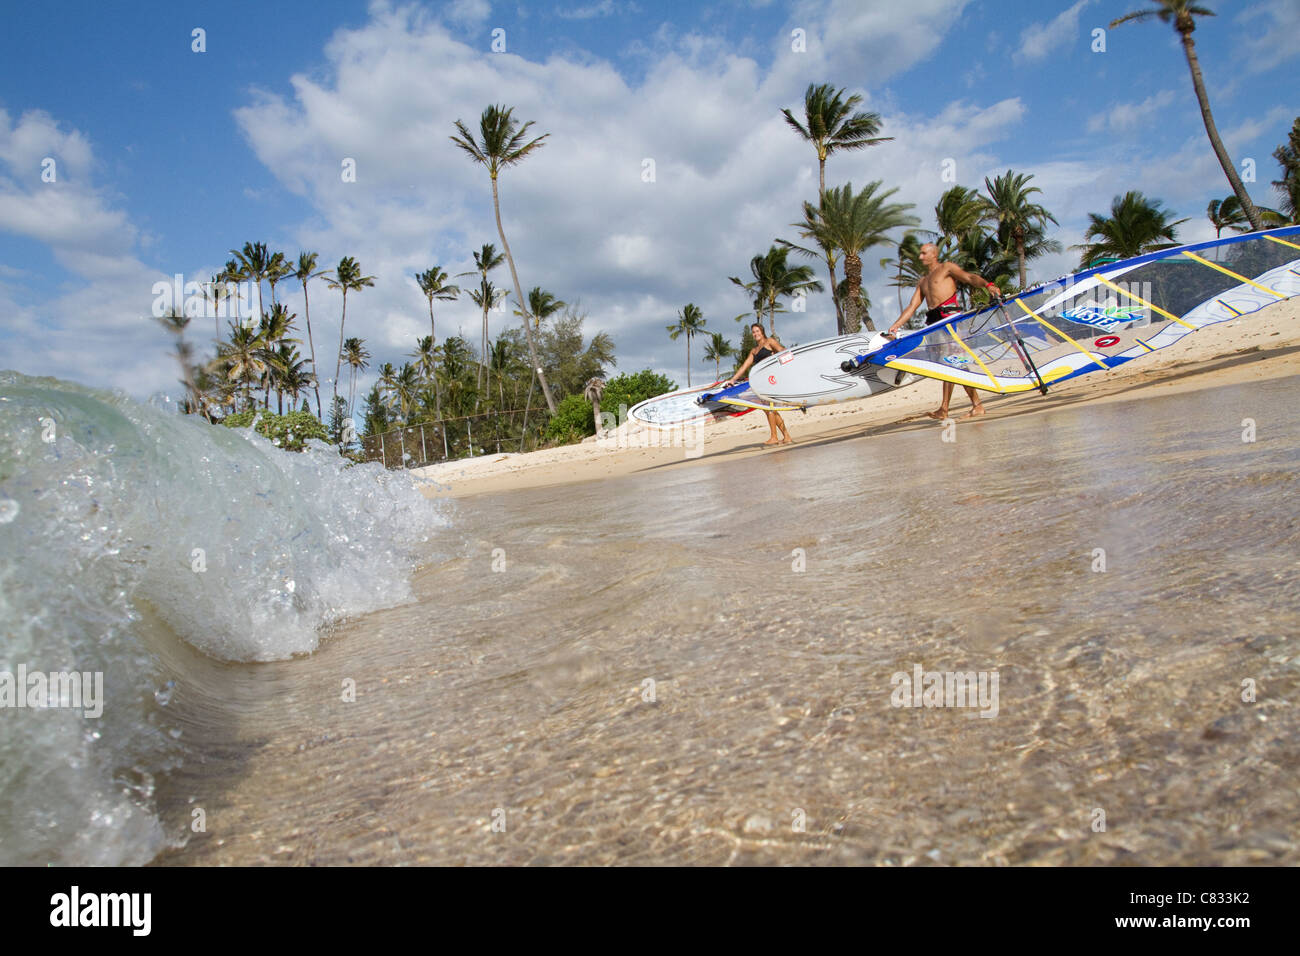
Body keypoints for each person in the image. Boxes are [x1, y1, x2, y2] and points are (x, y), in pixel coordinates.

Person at [885, 243, 1002, 420]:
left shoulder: (946, 268)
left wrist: (988, 285)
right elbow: (912, 306)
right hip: (934, 323)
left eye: (923, 253)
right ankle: (974, 406)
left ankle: (946, 409)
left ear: (934, 254)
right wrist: (896, 325)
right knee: (951, 364)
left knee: (950, 364)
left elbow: (969, 277)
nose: (920, 257)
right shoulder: (923, 281)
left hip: (950, 320)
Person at [725, 322, 791, 445]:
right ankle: (786, 436)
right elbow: (745, 366)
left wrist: (783, 364)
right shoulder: (754, 351)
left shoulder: (769, 342)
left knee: (769, 407)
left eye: (757, 331)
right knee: (769, 409)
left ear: (762, 331)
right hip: (762, 381)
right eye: (753, 332)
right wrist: (733, 379)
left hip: (772, 379)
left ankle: (774, 437)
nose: (755, 334)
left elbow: (783, 351)